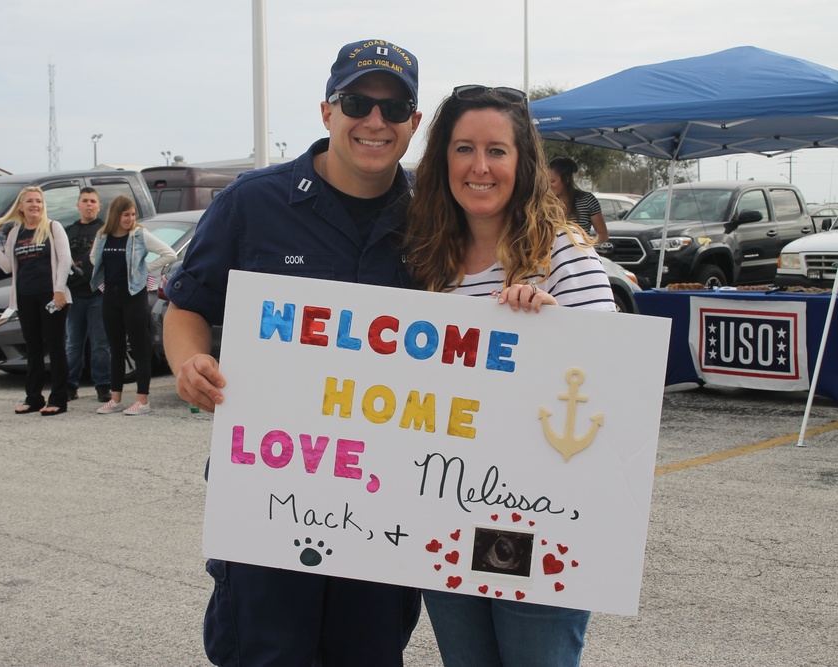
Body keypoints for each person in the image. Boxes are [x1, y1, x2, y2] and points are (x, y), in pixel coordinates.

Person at [163, 39, 423, 666]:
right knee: (265, 652)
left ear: (415, 123)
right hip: (271, 490)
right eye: (358, 101)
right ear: (327, 111)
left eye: (395, 108)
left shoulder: (434, 214)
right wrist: (187, 361)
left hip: (389, 497)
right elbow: (188, 308)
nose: (375, 122)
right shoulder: (253, 202)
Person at [404, 85, 617, 667]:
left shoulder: (564, 254)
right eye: (464, 148)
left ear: (523, 164)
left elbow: (612, 384)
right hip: (446, 516)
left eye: (497, 150)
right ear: (442, 160)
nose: (480, 166)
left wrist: (551, 330)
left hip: (539, 522)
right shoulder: (427, 264)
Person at [0, 186, 73, 416]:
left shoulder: (53, 227)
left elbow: (65, 260)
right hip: (25, 296)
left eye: (39, 201)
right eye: (30, 201)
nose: (35, 205)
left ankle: (58, 398)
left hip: (51, 296)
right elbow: (7, 266)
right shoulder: (16, 233)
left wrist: (59, 290)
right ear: (21, 207)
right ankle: (33, 397)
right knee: (32, 348)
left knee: (55, 347)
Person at [90, 195, 176, 416]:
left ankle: (142, 400)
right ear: (115, 215)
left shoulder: (139, 235)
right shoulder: (103, 235)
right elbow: (94, 258)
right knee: (116, 348)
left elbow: (169, 254)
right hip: (110, 296)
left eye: (133, 215)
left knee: (140, 347)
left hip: (134, 296)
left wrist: (144, 269)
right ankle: (115, 398)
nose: (130, 219)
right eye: (125, 214)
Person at [64, 187, 112, 403]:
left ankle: (103, 386)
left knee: (100, 344)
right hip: (74, 295)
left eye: (93, 201)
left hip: (98, 295)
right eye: (85, 200)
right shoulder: (68, 231)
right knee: (73, 344)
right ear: (78, 205)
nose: (89, 204)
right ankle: (69, 386)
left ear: (99, 206)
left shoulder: (105, 230)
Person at [548, 156, 609, 244]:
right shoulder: (545, 203)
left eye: (552, 181)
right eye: (546, 181)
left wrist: (586, 246)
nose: (549, 185)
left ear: (566, 179)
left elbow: (603, 234)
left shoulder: (587, 200)